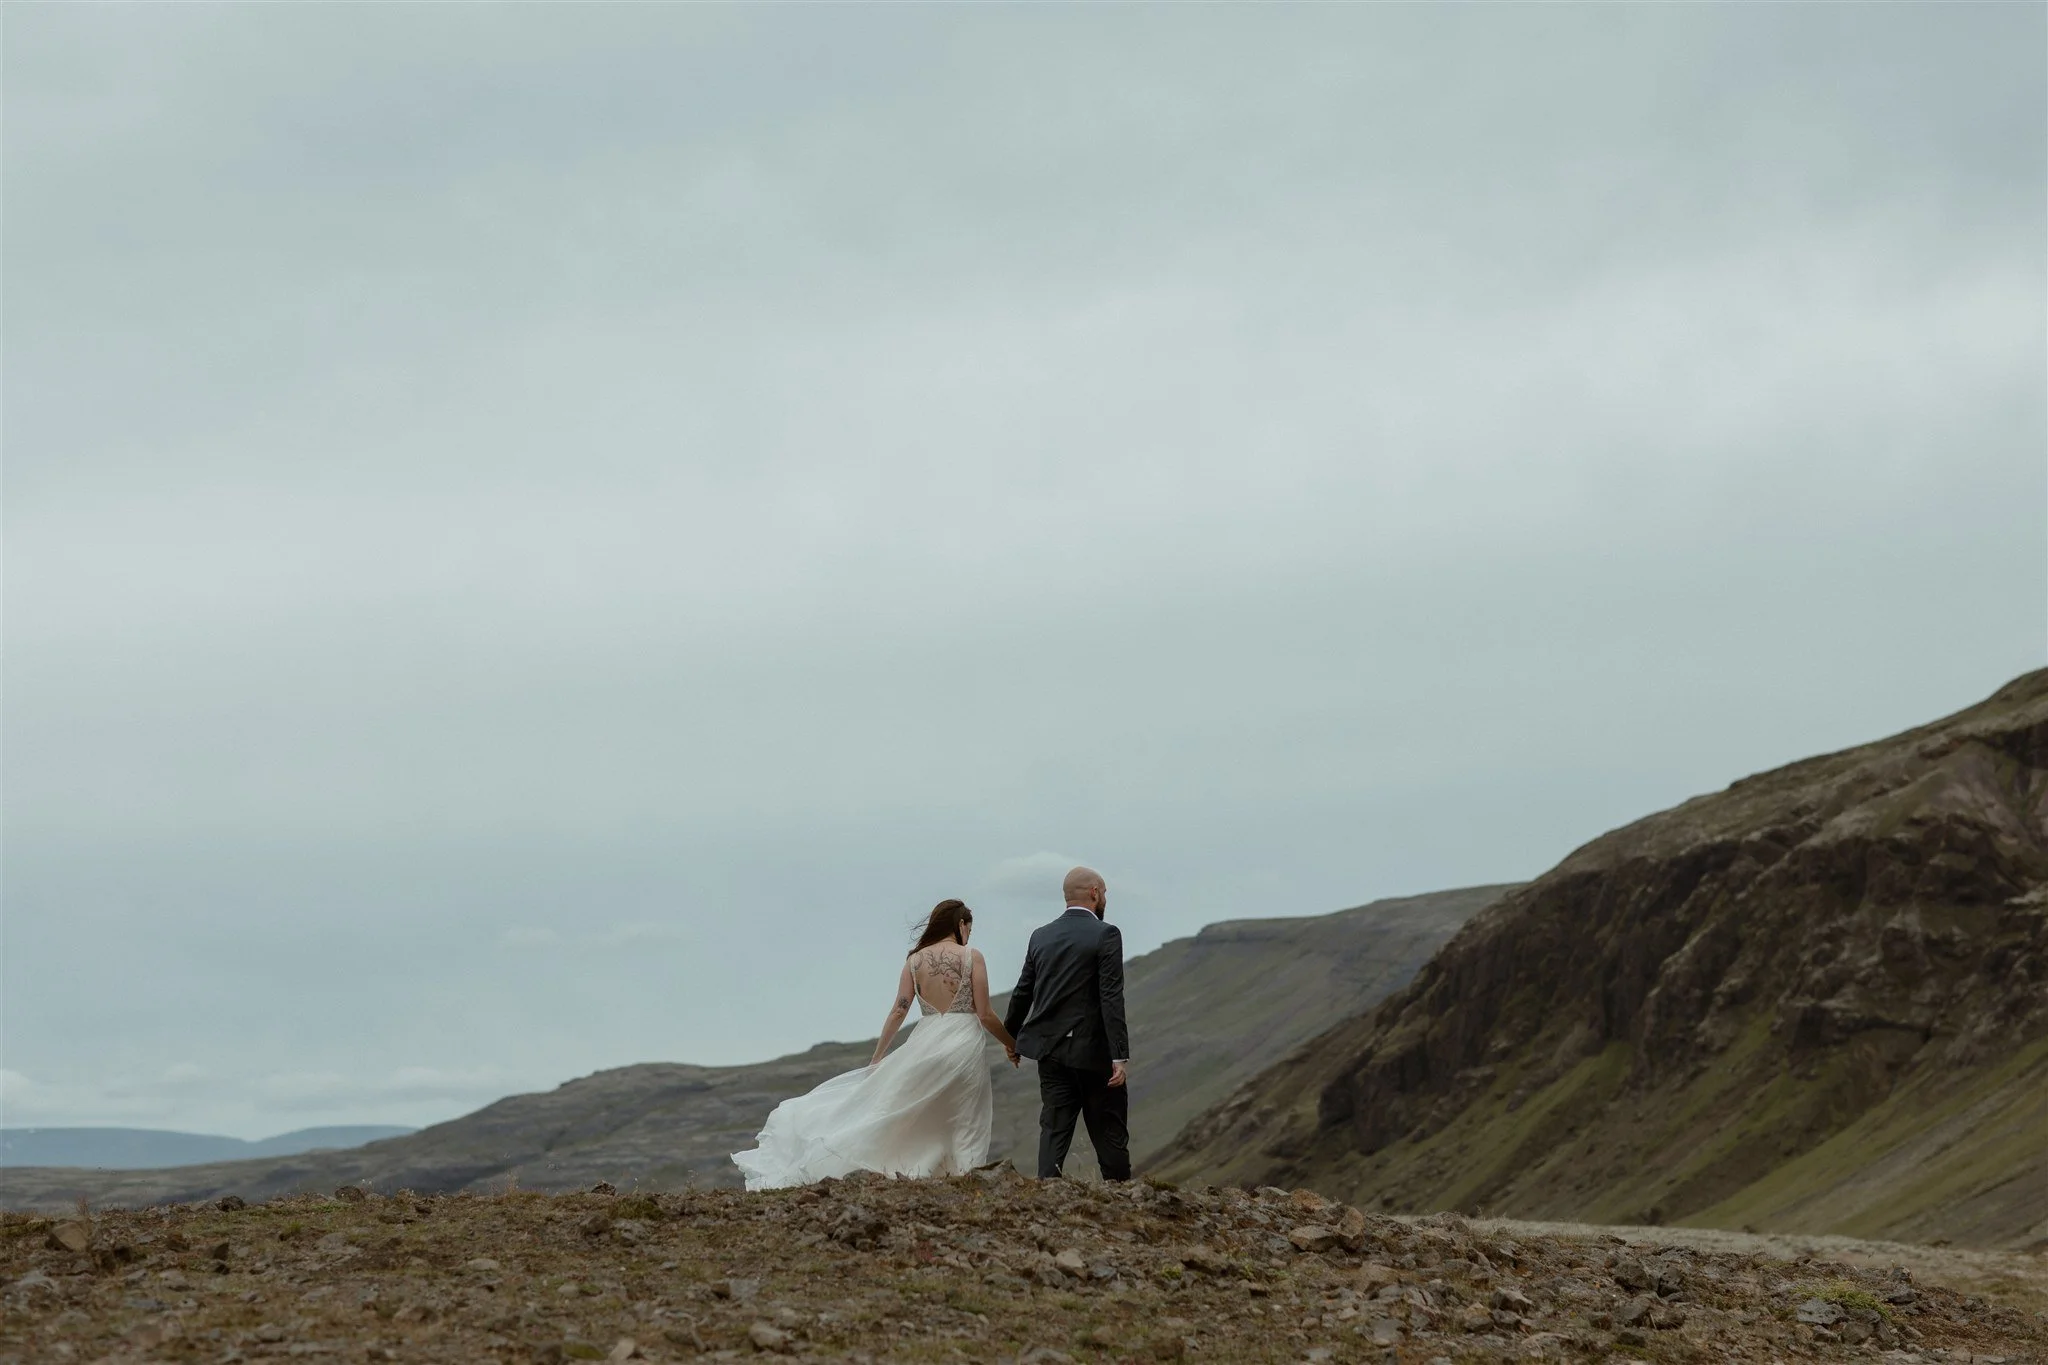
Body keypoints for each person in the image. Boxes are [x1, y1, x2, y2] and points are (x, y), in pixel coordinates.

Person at [731, 898, 1018, 1190]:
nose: (969, 935)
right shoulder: (973, 956)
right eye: (969, 928)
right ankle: (966, 1179)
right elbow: (985, 1014)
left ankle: (924, 1174)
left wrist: (878, 1056)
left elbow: (899, 1009)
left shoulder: (914, 961)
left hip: (927, 1041)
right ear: (960, 924)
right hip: (963, 1043)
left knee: (911, 1109)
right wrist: (1011, 1043)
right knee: (967, 1115)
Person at [1002, 866, 1132, 1181]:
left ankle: (1047, 1196)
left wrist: (1011, 1039)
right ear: (1094, 893)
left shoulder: (1041, 936)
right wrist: (1119, 1055)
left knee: (1054, 1131)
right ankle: (1123, 1201)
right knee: (1109, 1130)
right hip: (1094, 1054)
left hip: (1051, 1053)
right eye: (1104, 893)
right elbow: (1111, 997)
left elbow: (1023, 991)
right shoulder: (1106, 934)